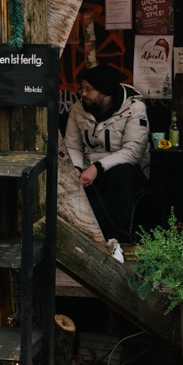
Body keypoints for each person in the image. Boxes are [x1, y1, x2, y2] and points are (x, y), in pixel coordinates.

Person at [64, 65, 151, 245]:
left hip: (125, 167)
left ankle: (119, 240)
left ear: (105, 92)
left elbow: (133, 151)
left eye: (89, 89)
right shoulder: (78, 109)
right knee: (67, 181)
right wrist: (77, 168)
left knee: (118, 177)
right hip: (89, 168)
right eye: (83, 88)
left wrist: (97, 168)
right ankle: (87, 239)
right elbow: (72, 145)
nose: (83, 93)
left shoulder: (134, 108)